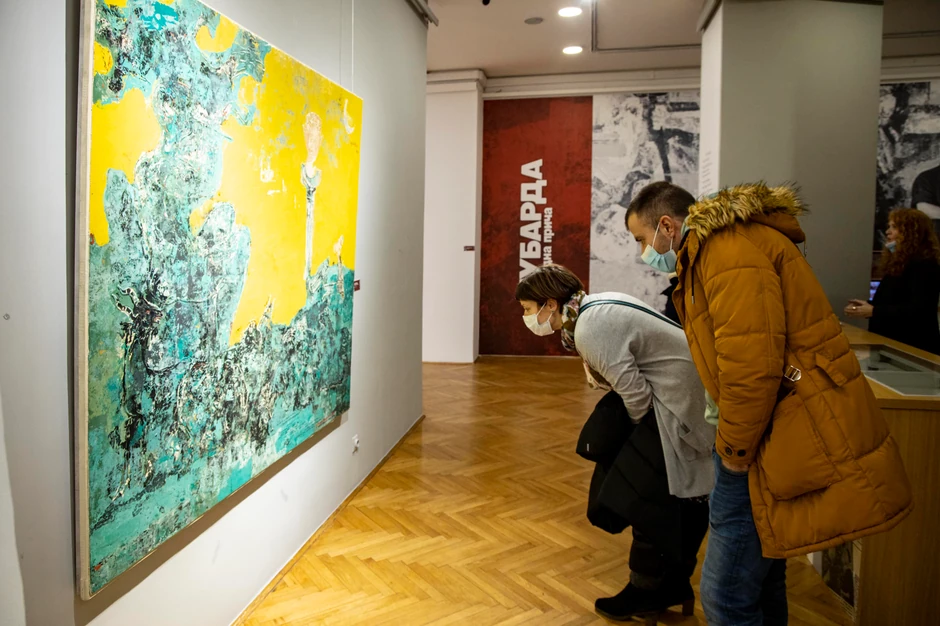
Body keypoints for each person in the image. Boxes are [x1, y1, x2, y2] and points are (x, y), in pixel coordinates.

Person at [626, 181, 913, 626]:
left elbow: (751, 366)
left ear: (667, 225)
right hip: (766, 430)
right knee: (761, 579)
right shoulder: (720, 249)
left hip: (755, 440)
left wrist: (735, 453)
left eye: (641, 239)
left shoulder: (725, 252)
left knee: (725, 597)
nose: (642, 251)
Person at [515, 264, 714, 621]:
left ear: (550, 304)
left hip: (678, 404)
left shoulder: (589, 328)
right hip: (682, 397)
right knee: (674, 497)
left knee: (643, 495)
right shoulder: (594, 307)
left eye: (528, 309)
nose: (527, 318)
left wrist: (637, 443)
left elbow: (635, 395)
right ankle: (671, 584)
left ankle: (647, 591)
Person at [845, 208, 940, 355]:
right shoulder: (899, 263)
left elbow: (919, 309)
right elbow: (893, 300)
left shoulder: (924, 265)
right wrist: (867, 306)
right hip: (889, 344)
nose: (888, 232)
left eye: (894, 227)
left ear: (911, 232)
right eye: (889, 226)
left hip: (912, 348)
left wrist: (874, 311)